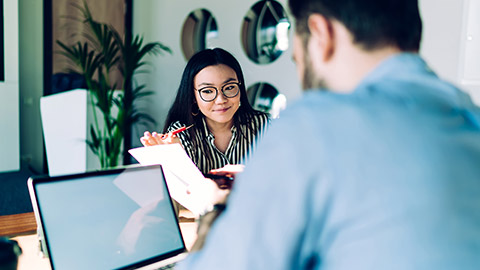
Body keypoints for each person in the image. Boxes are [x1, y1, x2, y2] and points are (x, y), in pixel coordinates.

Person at [176, 0, 480, 269]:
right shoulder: (469, 118)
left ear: (320, 33)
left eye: (297, 54)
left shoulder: (312, 127)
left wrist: (218, 209)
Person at [141, 48, 269, 176]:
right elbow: (181, 193)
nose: (220, 100)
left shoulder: (263, 126)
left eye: (229, 87)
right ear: (193, 97)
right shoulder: (181, 135)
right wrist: (175, 160)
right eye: (207, 91)